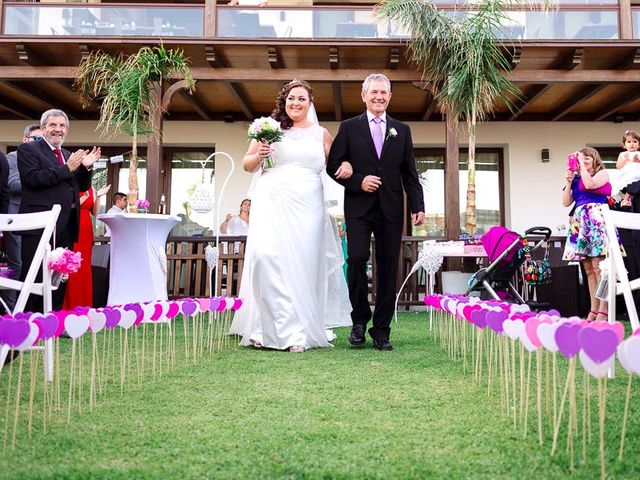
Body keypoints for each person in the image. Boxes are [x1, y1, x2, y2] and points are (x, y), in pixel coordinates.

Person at [229, 79, 351, 352]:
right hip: (271, 200)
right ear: (284, 101)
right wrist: (259, 154)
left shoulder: (321, 134)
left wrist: (345, 164)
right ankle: (270, 327)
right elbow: (247, 165)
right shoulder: (269, 129)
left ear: (310, 103)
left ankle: (298, 330)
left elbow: (336, 165)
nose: (296, 103)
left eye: (302, 99)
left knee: (302, 263)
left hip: (308, 205)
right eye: (291, 98)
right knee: (266, 258)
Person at [327, 73, 425, 351]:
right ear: (364, 95)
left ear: (390, 97)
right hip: (358, 207)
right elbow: (333, 164)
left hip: (392, 208)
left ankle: (381, 330)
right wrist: (358, 180)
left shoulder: (401, 130)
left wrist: (417, 205)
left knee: (387, 267)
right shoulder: (348, 127)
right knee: (356, 258)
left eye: (384, 93)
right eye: (374, 92)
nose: (379, 97)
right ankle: (359, 320)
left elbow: (409, 172)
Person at [18, 109, 99, 312]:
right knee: (35, 276)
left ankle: (51, 322)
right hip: (40, 226)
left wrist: (85, 168)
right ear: (43, 128)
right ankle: (28, 324)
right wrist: (68, 169)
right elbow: (32, 179)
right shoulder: (29, 150)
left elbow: (80, 187)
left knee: (59, 277)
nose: (58, 129)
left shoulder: (66, 155)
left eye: (62, 126)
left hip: (66, 226)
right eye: (53, 125)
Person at [562, 147, 611, 322]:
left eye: (587, 157)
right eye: (581, 158)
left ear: (595, 158)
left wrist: (580, 166)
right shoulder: (576, 178)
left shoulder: (603, 173)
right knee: (589, 269)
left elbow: (590, 184)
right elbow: (566, 202)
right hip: (580, 222)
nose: (584, 160)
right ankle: (593, 309)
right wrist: (568, 182)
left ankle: (604, 311)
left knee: (600, 267)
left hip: (596, 220)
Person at [3, 125, 42, 290]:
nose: (40, 143)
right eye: (37, 139)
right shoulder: (13, 157)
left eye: (43, 140)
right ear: (25, 139)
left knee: (34, 267)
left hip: (37, 220)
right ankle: (10, 311)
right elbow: (13, 184)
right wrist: (44, 180)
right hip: (16, 219)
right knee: (17, 265)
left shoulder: (42, 159)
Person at [63, 184, 111, 309]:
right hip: (73, 225)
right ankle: (69, 304)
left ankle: (85, 304)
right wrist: (81, 200)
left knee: (84, 266)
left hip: (86, 228)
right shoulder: (70, 186)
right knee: (72, 264)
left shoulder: (91, 188)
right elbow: (68, 207)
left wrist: (99, 196)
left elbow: (94, 212)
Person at [613, 129, 640, 210]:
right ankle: (625, 199)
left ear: (639, 144)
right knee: (629, 181)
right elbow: (618, 166)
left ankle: (626, 199)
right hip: (627, 174)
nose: (632, 144)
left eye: (634, 141)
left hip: (637, 174)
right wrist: (625, 161)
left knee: (634, 180)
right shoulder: (623, 154)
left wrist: (638, 161)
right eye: (629, 142)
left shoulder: (639, 154)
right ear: (624, 145)